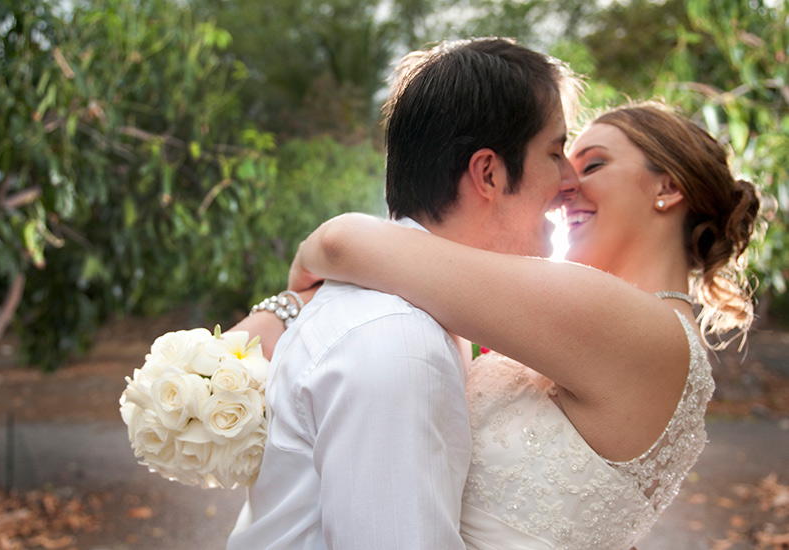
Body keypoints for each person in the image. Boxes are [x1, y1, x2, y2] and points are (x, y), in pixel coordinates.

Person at [286, 103, 762, 549]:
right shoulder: (649, 333)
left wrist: (295, 287)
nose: (566, 184)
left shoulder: (634, 325)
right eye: (562, 161)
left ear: (667, 189)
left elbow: (340, 243)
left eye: (592, 164)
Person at [225, 38, 581, 549]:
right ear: (488, 173)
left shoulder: (413, 312)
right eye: (554, 152)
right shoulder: (400, 340)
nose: (569, 179)